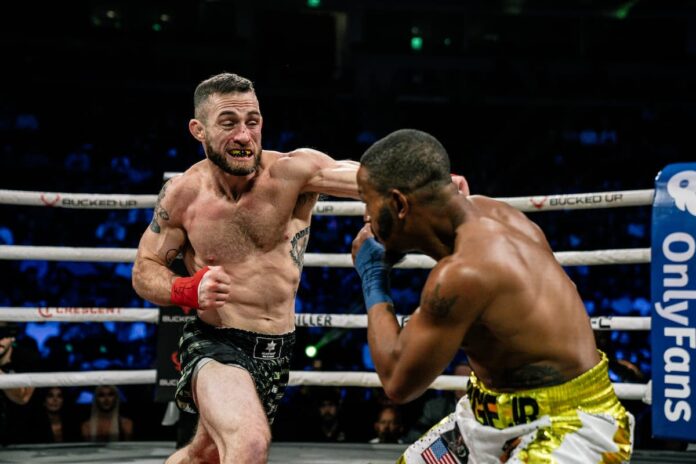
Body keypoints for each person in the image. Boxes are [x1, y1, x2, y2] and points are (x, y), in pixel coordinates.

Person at [351, 129, 634, 463]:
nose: (366, 216)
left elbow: (398, 383)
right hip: (486, 414)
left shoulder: (465, 272)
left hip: (571, 424)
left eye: (367, 200)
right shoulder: (492, 213)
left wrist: (373, 278)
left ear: (399, 203)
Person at [131, 72, 362, 464]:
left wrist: (431, 185)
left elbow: (371, 179)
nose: (244, 136)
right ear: (198, 130)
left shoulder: (294, 172)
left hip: (278, 348)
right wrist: (186, 290)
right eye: (229, 123)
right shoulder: (183, 194)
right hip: (216, 343)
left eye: (252, 122)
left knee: (203, 455)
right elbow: (145, 269)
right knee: (250, 442)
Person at [0, 322, 38, 445]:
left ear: (12, 336)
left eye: (3, 333)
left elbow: (22, 398)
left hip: (22, 438)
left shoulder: (26, 358)